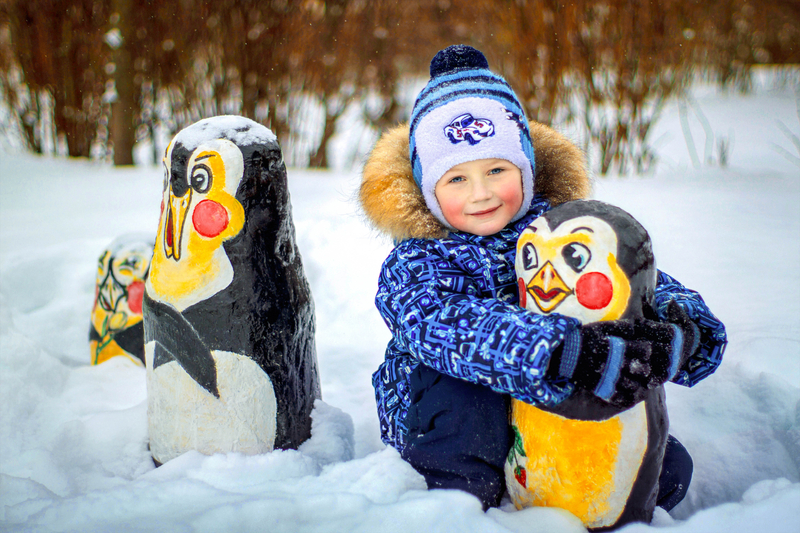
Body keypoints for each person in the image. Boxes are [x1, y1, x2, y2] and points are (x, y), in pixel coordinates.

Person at [359, 45, 727, 511]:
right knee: (469, 401)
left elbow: (630, 274)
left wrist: (681, 328)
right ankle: (462, 507)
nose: (481, 193)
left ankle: (569, 489)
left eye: (497, 169)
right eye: (456, 179)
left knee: (664, 471)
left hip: (548, 397)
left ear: (526, 170)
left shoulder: (559, 230)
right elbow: (439, 324)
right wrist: (561, 351)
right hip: (443, 412)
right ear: (428, 190)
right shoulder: (417, 259)